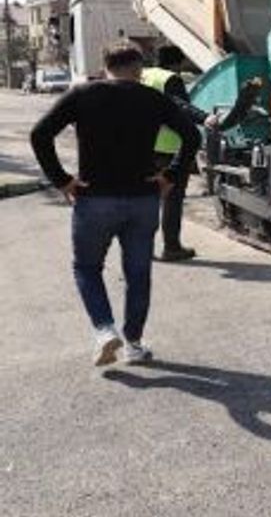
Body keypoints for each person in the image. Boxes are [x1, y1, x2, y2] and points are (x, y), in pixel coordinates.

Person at [30, 42, 200, 366]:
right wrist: (170, 175)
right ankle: (134, 343)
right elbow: (192, 136)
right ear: (138, 68)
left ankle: (105, 330)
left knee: (86, 267)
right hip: (143, 200)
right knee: (138, 272)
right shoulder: (153, 98)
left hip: (94, 199)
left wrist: (62, 180)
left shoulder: (82, 95)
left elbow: (40, 134)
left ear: (105, 64)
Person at [141, 46, 217, 261]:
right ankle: (171, 247)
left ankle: (142, 246)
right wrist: (205, 118)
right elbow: (179, 106)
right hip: (169, 147)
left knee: (147, 197)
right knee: (172, 198)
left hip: (144, 146)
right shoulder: (171, 79)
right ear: (177, 63)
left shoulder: (143, 75)